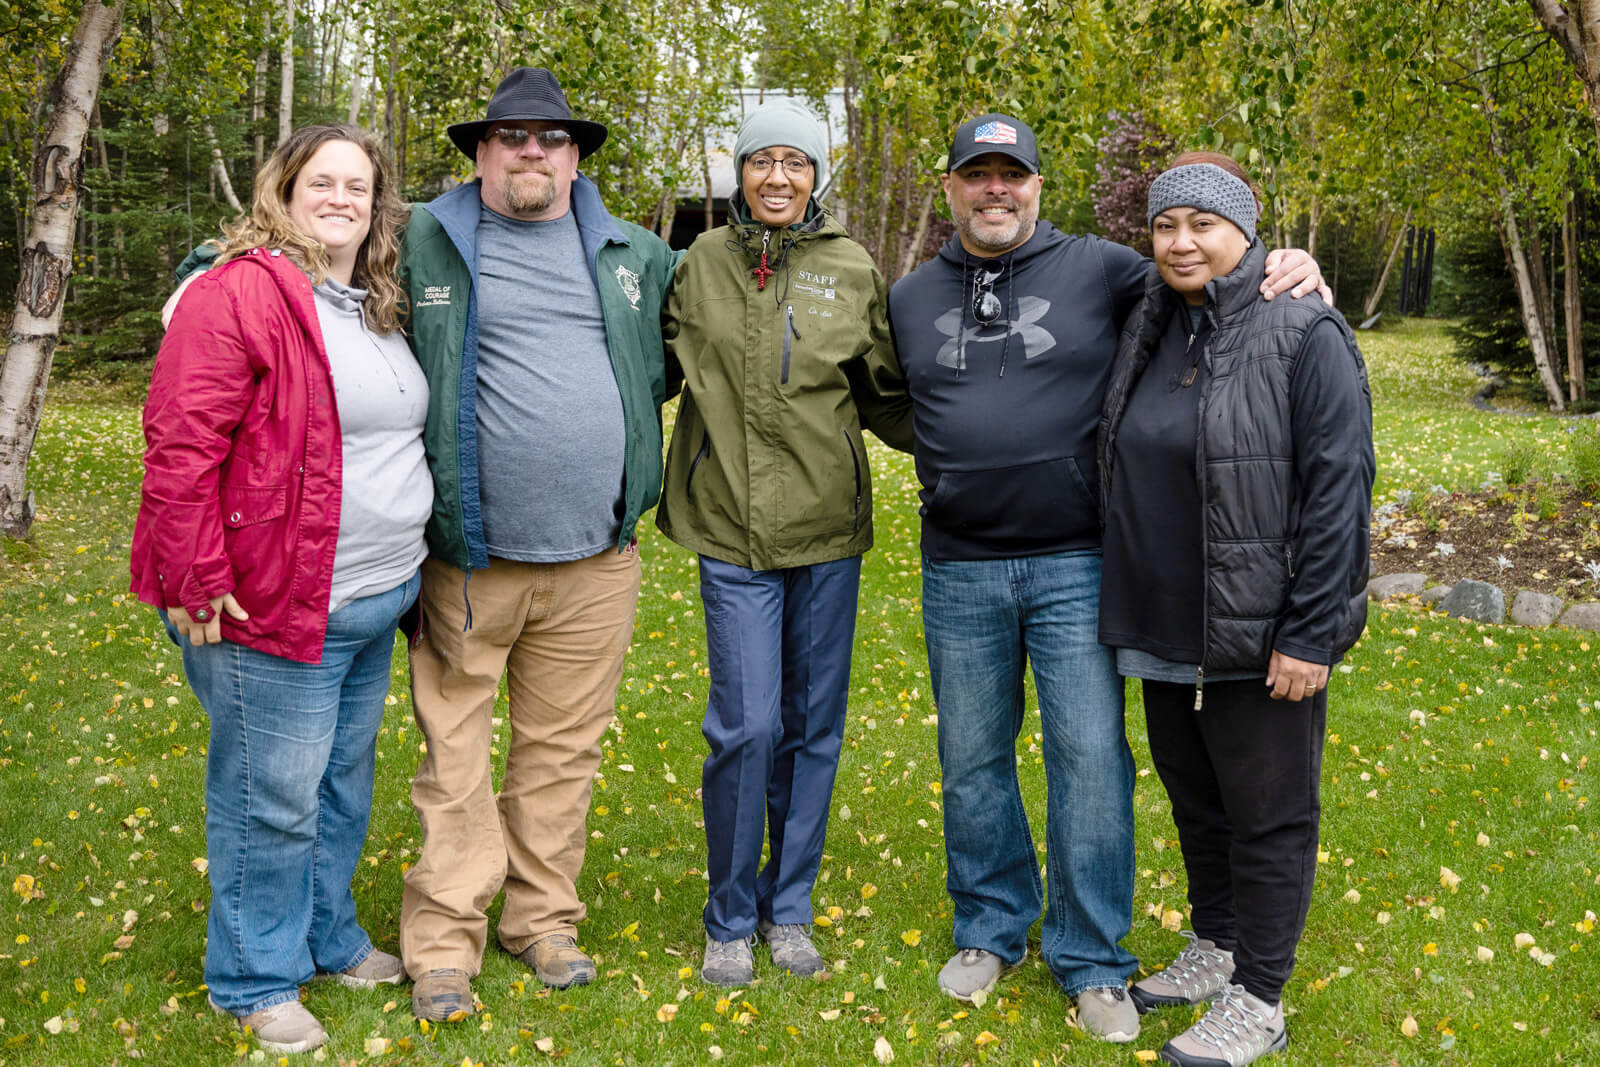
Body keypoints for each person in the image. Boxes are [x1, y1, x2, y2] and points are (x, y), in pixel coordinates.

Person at [886, 114, 1328, 1044]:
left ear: (1040, 185)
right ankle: (991, 925)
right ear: (951, 187)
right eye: (978, 175)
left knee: (1090, 760)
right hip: (958, 565)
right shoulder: (910, 295)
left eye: (1013, 174)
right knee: (971, 760)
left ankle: (1091, 957)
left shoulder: (1106, 271)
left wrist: (1290, 265)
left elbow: (1212, 283)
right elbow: (888, 398)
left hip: (1079, 562)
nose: (995, 190)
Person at [130, 123, 429, 1055]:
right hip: (274, 600)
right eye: (322, 183)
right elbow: (182, 444)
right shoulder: (241, 291)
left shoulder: (365, 299)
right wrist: (195, 575)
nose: (342, 199)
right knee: (272, 794)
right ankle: (255, 977)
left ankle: (327, 935)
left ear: (377, 206)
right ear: (285, 190)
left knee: (340, 783)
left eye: (360, 186)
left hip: (372, 597)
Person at [396, 67, 677, 1021]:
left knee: (563, 751)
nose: (530, 150)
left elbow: (669, 367)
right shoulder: (421, 242)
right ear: (479, 151)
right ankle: (442, 942)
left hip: (598, 558)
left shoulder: (631, 251)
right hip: (471, 556)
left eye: (550, 138)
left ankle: (542, 917)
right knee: (456, 752)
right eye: (510, 135)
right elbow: (302, 271)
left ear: (575, 156)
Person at [1096, 153, 1373, 1066]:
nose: (1181, 242)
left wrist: (1310, 630)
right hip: (1167, 623)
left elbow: (1340, 491)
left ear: (1247, 235)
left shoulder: (1304, 329)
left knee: (1269, 812)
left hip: (1262, 632)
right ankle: (1215, 946)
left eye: (1203, 226)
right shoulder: (1152, 319)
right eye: (1166, 225)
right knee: (1198, 800)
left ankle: (1261, 995)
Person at [655, 98, 913, 986]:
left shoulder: (851, 267)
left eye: (795, 164)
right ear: (738, 173)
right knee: (745, 724)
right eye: (761, 161)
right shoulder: (699, 263)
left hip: (826, 531)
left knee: (810, 727)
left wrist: (989, 442)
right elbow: (642, 362)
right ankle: (729, 913)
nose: (777, 177)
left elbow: (886, 392)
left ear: (817, 176)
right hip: (729, 528)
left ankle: (788, 906)